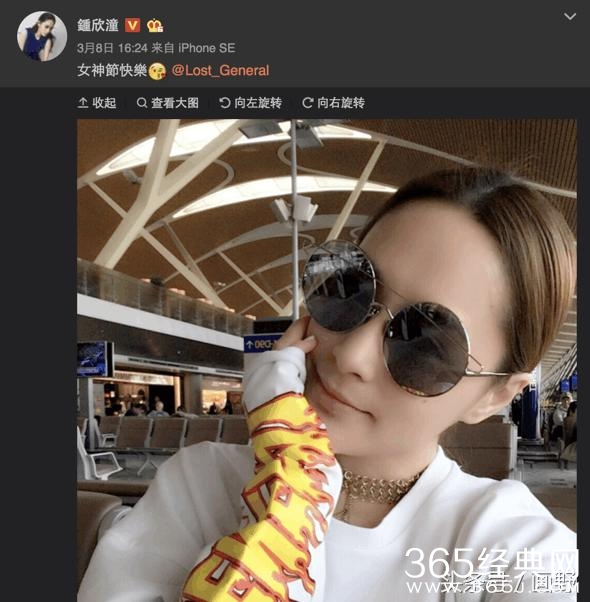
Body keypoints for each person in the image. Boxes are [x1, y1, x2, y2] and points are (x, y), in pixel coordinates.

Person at [79, 167, 577, 601]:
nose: (351, 354)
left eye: (425, 342)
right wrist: (289, 484)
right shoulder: (201, 484)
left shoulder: (511, 545)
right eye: (350, 289)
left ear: (495, 395)